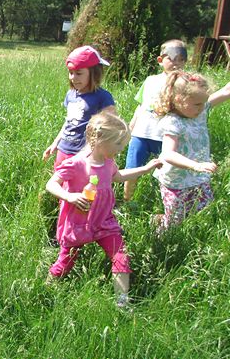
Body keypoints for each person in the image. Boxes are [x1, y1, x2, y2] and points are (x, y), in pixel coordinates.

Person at [45, 112, 160, 308]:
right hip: (79, 221)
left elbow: (119, 176)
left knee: (120, 256)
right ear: (98, 140)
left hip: (104, 220)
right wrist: (69, 196)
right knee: (65, 262)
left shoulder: (108, 162)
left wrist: (146, 169)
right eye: (118, 145)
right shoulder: (77, 163)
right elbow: (51, 184)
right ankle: (46, 289)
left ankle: (122, 302)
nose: (121, 149)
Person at [152, 71, 230, 229]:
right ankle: (160, 228)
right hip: (176, 182)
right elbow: (168, 154)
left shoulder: (198, 111)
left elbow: (226, 91)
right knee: (175, 221)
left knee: (204, 215)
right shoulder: (173, 122)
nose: (203, 108)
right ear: (179, 100)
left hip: (200, 179)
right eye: (197, 104)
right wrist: (196, 165)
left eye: (204, 103)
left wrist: (199, 169)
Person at [123, 40, 187, 202]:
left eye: (181, 59)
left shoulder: (185, 84)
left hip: (166, 137)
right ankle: (127, 202)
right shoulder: (151, 80)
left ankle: (162, 203)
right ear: (160, 60)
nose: (176, 63)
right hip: (142, 134)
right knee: (132, 169)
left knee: (167, 172)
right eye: (172, 59)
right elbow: (141, 107)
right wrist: (130, 128)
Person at [43, 45, 116, 168]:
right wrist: (55, 143)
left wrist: (93, 151)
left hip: (86, 155)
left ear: (94, 73)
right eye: (70, 73)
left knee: (83, 186)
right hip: (64, 150)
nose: (73, 78)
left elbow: (111, 127)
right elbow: (68, 122)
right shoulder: (71, 95)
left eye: (79, 73)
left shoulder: (103, 97)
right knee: (60, 184)